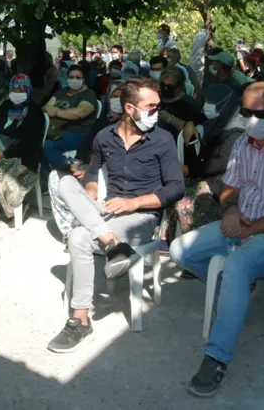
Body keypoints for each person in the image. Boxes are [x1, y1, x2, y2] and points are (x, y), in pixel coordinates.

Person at [170, 82, 264, 397]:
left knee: (238, 263)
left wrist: (251, 229)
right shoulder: (244, 143)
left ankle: (216, 358)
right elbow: (230, 186)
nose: (252, 119)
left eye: (260, 113)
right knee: (180, 251)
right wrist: (229, 210)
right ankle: (235, 296)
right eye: (246, 112)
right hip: (242, 221)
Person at [46, 77, 184, 353]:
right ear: (130, 108)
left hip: (141, 217)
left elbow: (176, 188)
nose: (157, 111)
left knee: (77, 237)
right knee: (64, 183)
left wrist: (134, 203)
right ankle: (112, 245)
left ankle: (79, 318)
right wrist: (93, 190)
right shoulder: (104, 136)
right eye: (151, 107)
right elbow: (93, 172)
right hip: (106, 212)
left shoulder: (162, 139)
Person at [159, 84, 246, 244]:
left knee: (183, 204)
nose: (206, 105)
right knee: (172, 189)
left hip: (226, 182)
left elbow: (222, 163)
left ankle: (191, 245)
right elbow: (196, 117)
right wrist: (190, 124)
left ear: (223, 104)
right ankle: (169, 241)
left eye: (211, 101)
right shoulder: (217, 121)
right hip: (208, 176)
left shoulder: (237, 131)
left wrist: (190, 170)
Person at [49, 82, 124, 236]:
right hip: (89, 168)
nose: (116, 100)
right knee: (55, 178)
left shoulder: (129, 127)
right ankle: (71, 231)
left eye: (121, 97)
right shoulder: (103, 122)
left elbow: (118, 159)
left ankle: (97, 228)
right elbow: (86, 146)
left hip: (109, 177)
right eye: (114, 97)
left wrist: (91, 172)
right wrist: (78, 164)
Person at [0, 75, 46, 228]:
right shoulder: (5, 106)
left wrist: (4, 154)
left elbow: (31, 142)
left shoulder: (35, 112)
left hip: (24, 157)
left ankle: (13, 209)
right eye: (14, 89)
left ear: (28, 90)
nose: (17, 92)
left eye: (21, 89)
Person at [41, 65, 98, 180]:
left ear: (83, 79)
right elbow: (46, 107)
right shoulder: (62, 92)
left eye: (78, 77)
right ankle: (46, 176)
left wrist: (57, 111)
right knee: (33, 142)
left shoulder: (89, 94)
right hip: (55, 130)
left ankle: (67, 173)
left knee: (47, 146)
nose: (74, 80)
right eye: (71, 77)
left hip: (78, 132)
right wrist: (62, 112)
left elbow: (79, 112)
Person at [157, 66, 206, 146]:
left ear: (178, 87)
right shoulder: (155, 98)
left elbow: (194, 130)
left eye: (169, 87)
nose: (165, 88)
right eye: (162, 85)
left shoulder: (190, 105)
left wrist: (170, 119)